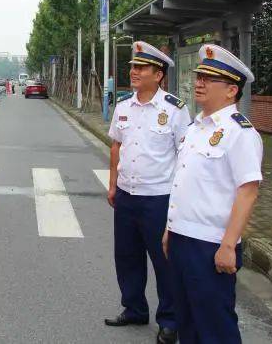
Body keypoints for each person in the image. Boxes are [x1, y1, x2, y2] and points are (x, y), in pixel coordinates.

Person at [163, 44, 262, 344]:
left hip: (210, 245)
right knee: (188, 322)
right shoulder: (195, 128)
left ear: (232, 90)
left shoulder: (240, 133)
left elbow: (248, 192)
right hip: (181, 238)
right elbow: (185, 184)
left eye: (209, 78)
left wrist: (229, 245)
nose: (199, 82)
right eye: (199, 76)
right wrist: (170, 230)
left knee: (215, 327)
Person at [105, 41, 191, 344]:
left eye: (140, 68)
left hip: (159, 199)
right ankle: (134, 308)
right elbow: (116, 145)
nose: (133, 72)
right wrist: (113, 183)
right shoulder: (124, 106)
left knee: (164, 262)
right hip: (127, 195)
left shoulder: (175, 110)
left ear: (159, 74)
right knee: (126, 256)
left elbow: (185, 156)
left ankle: (169, 321)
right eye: (132, 67)